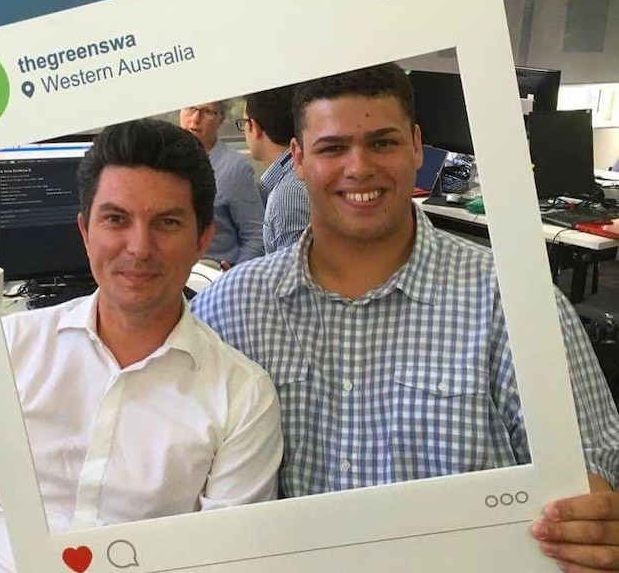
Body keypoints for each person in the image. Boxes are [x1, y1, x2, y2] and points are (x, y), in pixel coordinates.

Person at [192, 64, 619, 570]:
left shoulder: (514, 305)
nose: (359, 168)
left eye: (382, 143)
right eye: (332, 148)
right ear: (299, 159)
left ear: (417, 146)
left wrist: (596, 524)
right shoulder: (230, 310)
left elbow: (594, 477)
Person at [0, 119, 283, 572]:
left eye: (167, 222)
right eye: (116, 219)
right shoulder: (11, 348)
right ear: (85, 232)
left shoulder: (242, 396)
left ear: (202, 238)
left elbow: (224, 564)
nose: (139, 248)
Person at [180, 101, 265, 267]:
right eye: (190, 108)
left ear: (221, 119)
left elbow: (256, 236)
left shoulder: (234, 168)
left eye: (208, 112)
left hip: (214, 276)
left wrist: (232, 278)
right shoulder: (161, 161)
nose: (196, 118)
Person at [239, 86, 310, 254]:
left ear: (254, 127)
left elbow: (292, 275)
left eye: (243, 123)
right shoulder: (293, 177)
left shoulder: (288, 194)